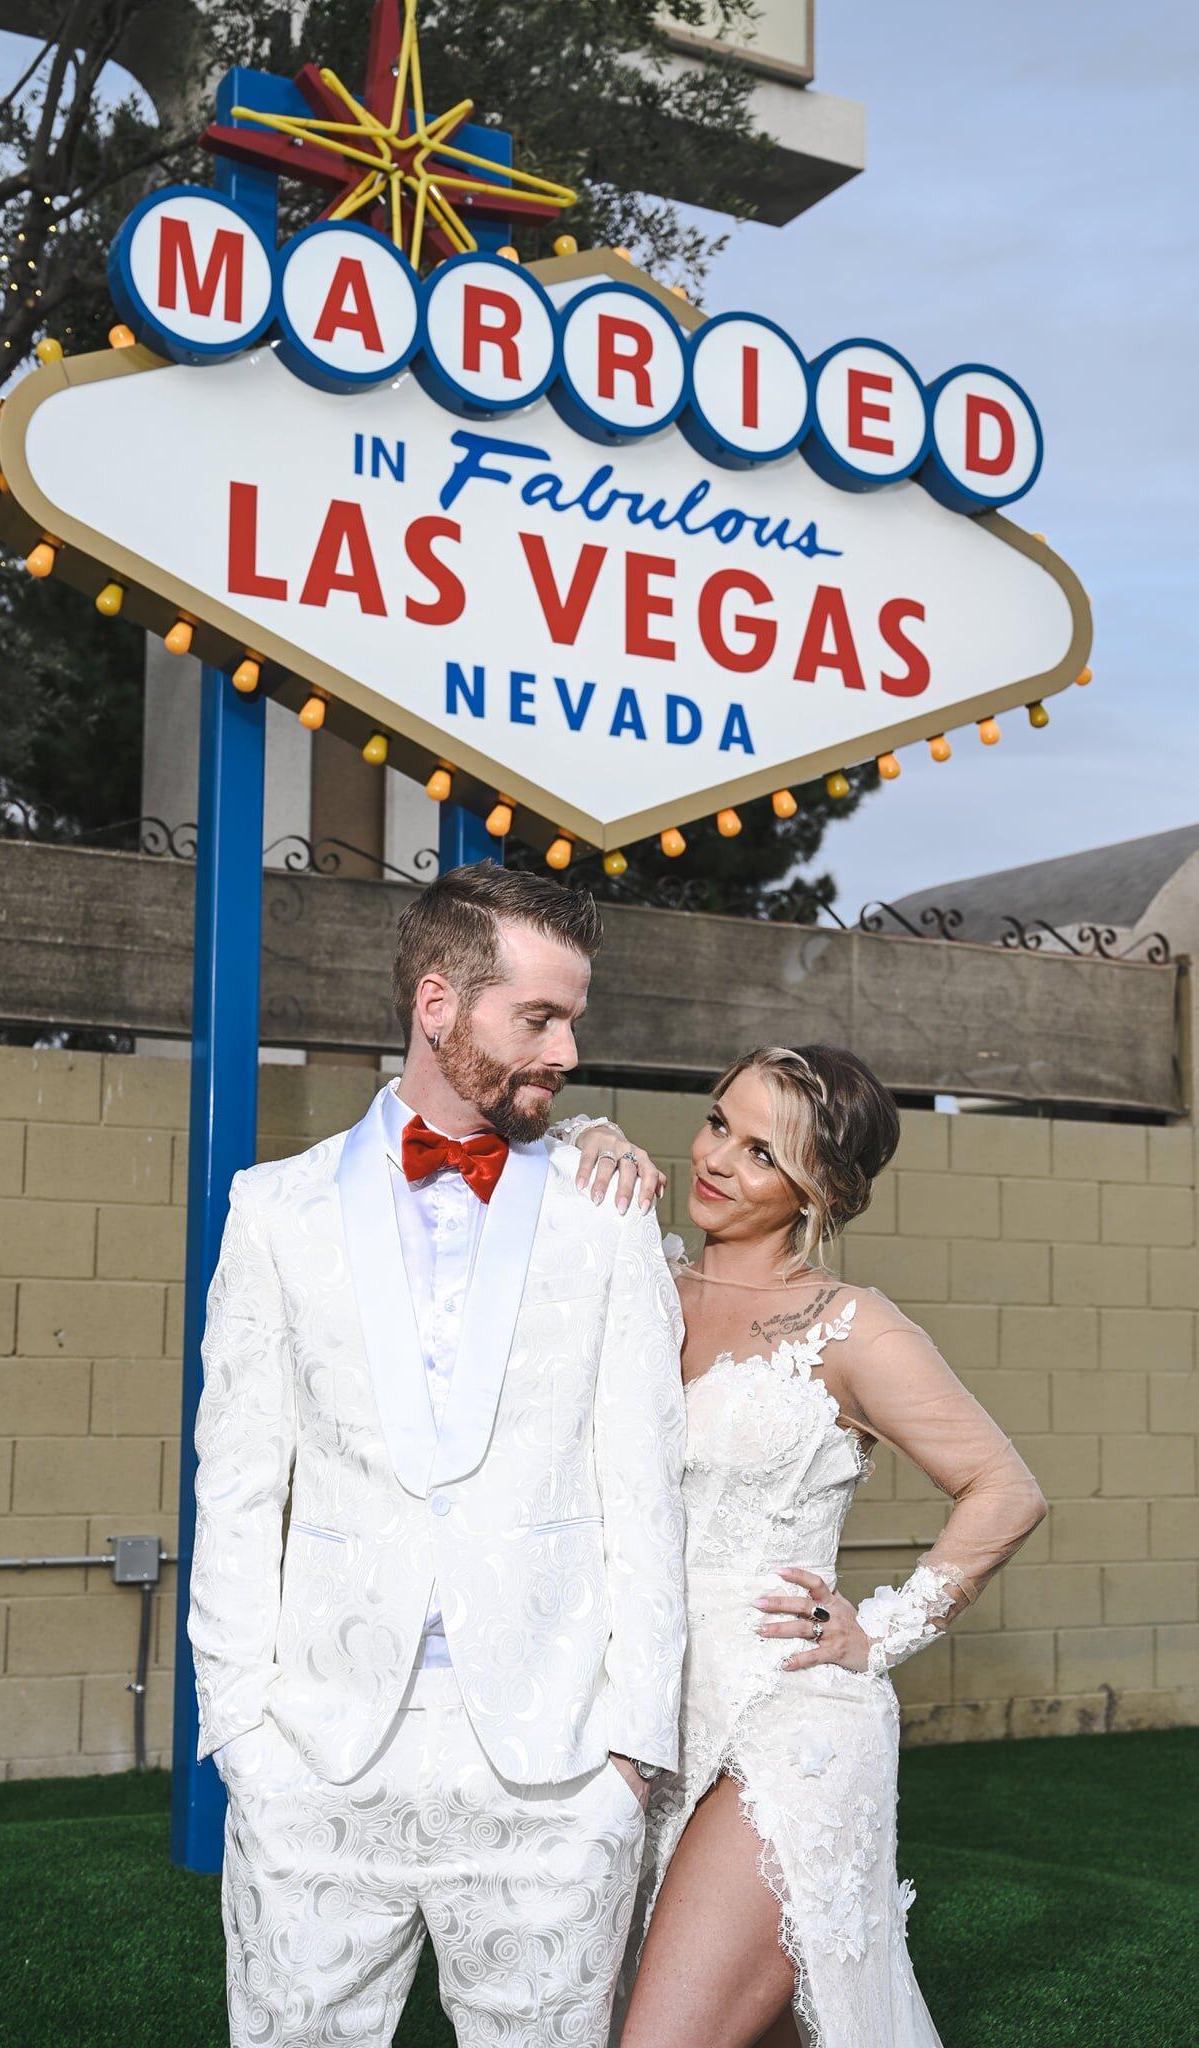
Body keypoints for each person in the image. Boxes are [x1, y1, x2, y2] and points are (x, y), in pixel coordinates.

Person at [187, 861, 687, 2048]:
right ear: (436, 1003)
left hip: (556, 1762)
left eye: (573, 1018)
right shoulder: (273, 1209)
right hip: (318, 1752)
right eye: (538, 1017)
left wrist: (632, 1759)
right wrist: (244, 1739)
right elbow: (238, 1483)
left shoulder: (609, 1210)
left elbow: (644, 1486)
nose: (565, 1050)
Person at [564, 1047, 1048, 2048]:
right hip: (648, 1710)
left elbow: (1004, 1488)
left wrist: (877, 1630)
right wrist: (585, 1136)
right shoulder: (634, 1271)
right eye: (715, 1122)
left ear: (819, 1188)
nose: (715, 1159)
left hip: (788, 1720)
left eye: (760, 1152)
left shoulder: (850, 1328)